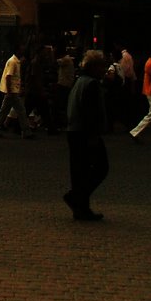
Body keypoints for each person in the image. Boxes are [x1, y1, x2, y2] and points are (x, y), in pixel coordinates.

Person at [64, 49, 109, 222]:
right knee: (100, 167)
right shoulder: (91, 84)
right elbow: (91, 113)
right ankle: (77, 198)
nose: (104, 70)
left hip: (74, 130)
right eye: (101, 66)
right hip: (84, 132)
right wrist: (94, 135)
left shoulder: (80, 81)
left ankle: (81, 207)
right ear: (94, 67)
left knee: (79, 170)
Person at [0, 45, 34, 138]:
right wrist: (10, 91)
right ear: (17, 51)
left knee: (4, 111)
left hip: (12, 91)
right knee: (20, 111)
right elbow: (8, 77)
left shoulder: (14, 61)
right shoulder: (13, 62)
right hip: (12, 91)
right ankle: (26, 131)